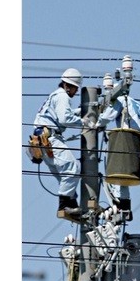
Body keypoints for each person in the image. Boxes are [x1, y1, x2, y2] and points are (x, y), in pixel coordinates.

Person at [32, 68, 89, 218]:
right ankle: (64, 206)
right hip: (50, 138)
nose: (76, 91)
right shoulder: (63, 96)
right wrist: (84, 122)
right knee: (72, 168)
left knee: (64, 175)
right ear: (68, 85)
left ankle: (71, 204)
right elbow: (64, 119)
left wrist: (78, 111)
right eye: (75, 88)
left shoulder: (55, 95)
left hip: (42, 140)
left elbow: (60, 114)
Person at [96, 76, 140, 214]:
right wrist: (139, 136)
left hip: (126, 141)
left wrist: (93, 124)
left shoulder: (120, 100)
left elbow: (107, 117)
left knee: (116, 171)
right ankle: (125, 205)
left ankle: (119, 203)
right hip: (139, 147)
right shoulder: (139, 105)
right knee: (126, 175)